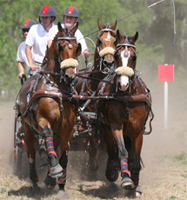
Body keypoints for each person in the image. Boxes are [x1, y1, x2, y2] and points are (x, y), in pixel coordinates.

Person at [26, 5, 56, 75]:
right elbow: (28, 47)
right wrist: (31, 64)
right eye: (42, 17)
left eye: (46, 18)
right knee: (30, 85)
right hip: (39, 66)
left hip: (55, 66)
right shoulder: (34, 29)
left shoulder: (58, 29)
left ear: (52, 18)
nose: (43, 20)